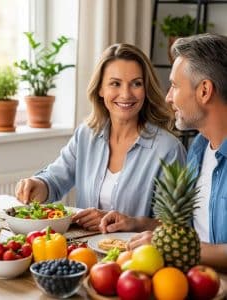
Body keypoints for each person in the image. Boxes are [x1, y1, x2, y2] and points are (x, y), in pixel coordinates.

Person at [15, 43, 186, 231]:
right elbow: (54, 181)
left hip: (136, 257)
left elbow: (177, 226)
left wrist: (132, 223)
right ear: (100, 89)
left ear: (146, 89)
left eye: (136, 83)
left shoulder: (168, 149)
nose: (126, 94)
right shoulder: (86, 135)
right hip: (82, 252)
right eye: (115, 83)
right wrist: (37, 185)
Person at [100, 34, 227, 271]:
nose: (168, 97)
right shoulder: (199, 148)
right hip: (188, 280)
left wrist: (173, 249)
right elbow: (186, 231)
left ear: (204, 91)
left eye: (175, 86)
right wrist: (137, 223)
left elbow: (184, 245)